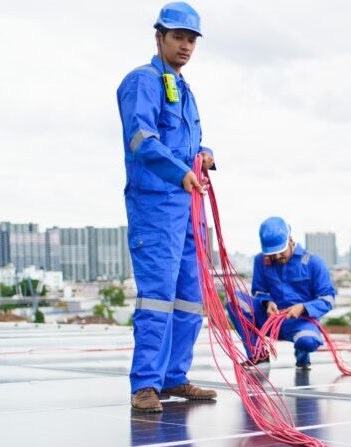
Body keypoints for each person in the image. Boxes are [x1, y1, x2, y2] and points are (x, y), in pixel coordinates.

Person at [118, 2, 217, 412]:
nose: (186, 46)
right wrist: (179, 173)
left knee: (190, 297)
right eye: (178, 37)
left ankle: (174, 376)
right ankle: (145, 384)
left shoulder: (185, 88)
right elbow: (142, 140)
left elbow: (191, 144)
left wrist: (206, 154)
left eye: (191, 39)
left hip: (189, 208)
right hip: (156, 208)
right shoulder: (142, 82)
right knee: (157, 297)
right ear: (159, 37)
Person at [226, 217, 337, 370]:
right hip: (270, 319)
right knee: (234, 300)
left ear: (290, 240)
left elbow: (328, 299)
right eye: (272, 254)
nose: (277, 257)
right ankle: (258, 354)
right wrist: (267, 302)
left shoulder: (313, 263)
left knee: (307, 342)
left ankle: (302, 354)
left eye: (280, 252)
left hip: (300, 322)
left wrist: (303, 308)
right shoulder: (261, 260)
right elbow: (259, 291)